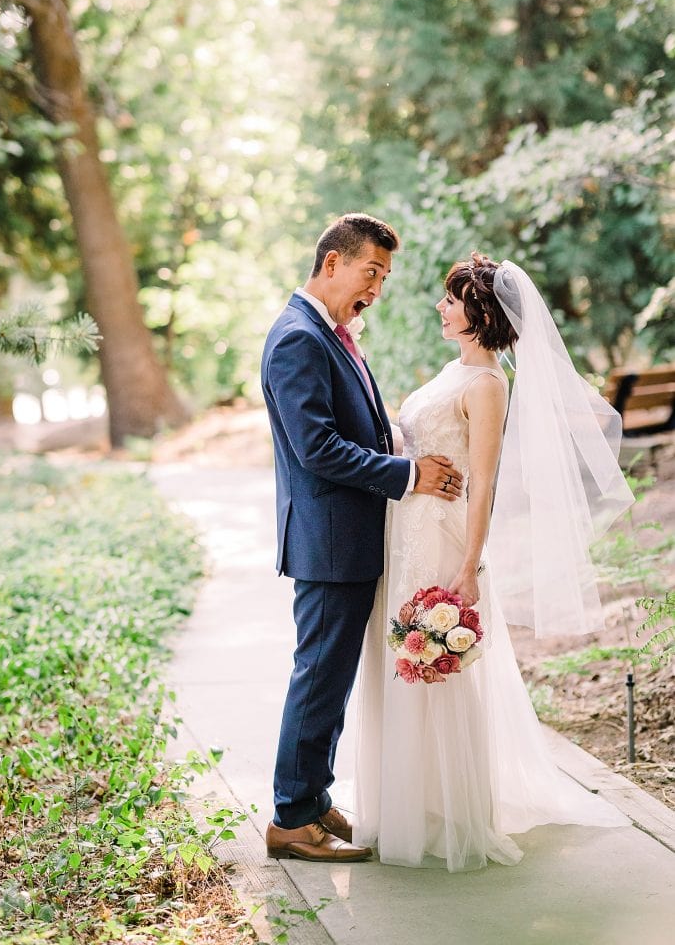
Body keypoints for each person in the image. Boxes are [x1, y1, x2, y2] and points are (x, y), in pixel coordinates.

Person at [353, 251, 635, 870]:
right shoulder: (451, 373)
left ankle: (452, 811)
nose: (439, 306)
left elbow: (484, 483)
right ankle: (408, 800)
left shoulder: (487, 386)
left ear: (478, 312)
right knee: (397, 662)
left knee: (436, 666)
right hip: (403, 532)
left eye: (450, 299)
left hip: (443, 540)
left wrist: (470, 565)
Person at [261, 213, 463, 862]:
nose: (375, 287)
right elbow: (316, 446)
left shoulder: (330, 333)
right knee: (318, 676)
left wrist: (395, 440)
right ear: (331, 264)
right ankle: (291, 817)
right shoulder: (297, 337)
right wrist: (407, 474)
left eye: (383, 276)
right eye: (369, 271)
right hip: (325, 541)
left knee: (333, 676)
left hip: (347, 538)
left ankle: (313, 798)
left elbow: (354, 427)